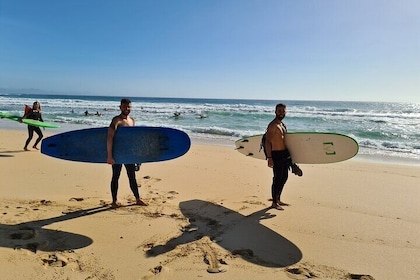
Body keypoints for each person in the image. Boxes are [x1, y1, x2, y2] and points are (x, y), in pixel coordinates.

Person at [107, 98, 147, 208]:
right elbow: (110, 137)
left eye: (129, 106)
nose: (127, 108)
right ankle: (114, 201)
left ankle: (138, 199)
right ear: (120, 107)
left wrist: (137, 158)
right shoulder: (116, 120)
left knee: (132, 177)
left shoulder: (132, 120)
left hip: (128, 154)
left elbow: (132, 140)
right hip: (117, 154)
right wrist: (110, 156)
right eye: (124, 106)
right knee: (115, 176)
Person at [264, 103, 302, 210]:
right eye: (279, 111)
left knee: (284, 177)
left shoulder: (282, 125)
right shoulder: (273, 125)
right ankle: (274, 203)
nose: (281, 113)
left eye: (283, 111)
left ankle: (278, 199)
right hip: (276, 155)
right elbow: (267, 142)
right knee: (277, 179)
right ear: (275, 112)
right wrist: (270, 158)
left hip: (284, 154)